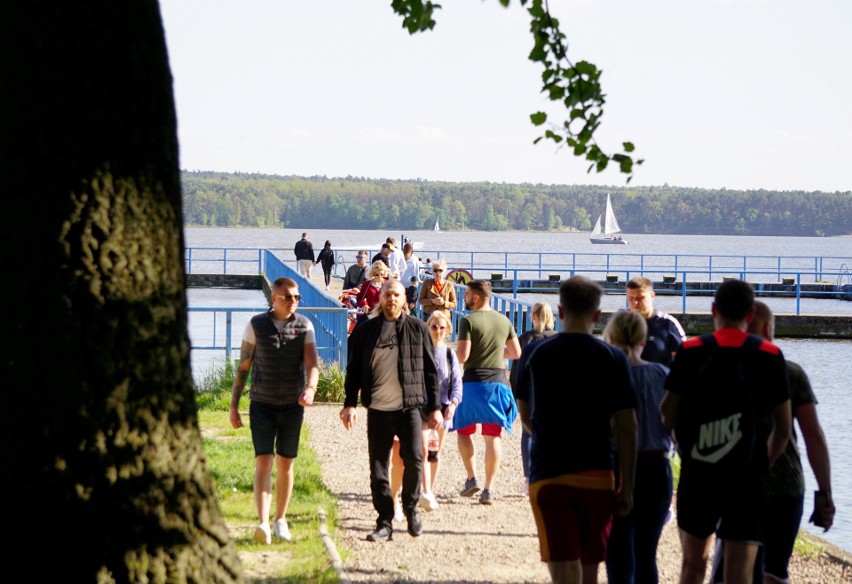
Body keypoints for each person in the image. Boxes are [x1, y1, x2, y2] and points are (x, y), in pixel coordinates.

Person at [660, 279, 792, 584]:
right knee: (739, 574)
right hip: (748, 480)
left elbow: (666, 413)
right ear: (750, 315)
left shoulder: (692, 350)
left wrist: (685, 449)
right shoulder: (770, 355)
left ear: (713, 310)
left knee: (692, 565)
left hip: (699, 475)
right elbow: (783, 429)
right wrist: (762, 465)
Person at [514, 276, 638, 584]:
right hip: (599, 473)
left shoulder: (535, 353)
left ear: (561, 310)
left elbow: (525, 413)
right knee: (589, 566)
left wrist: (543, 433)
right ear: (597, 316)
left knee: (562, 561)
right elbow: (628, 428)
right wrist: (628, 487)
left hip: (550, 472)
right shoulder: (614, 358)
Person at [711, 300, 834, 584]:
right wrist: (825, 493)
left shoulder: (722, 370)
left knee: (730, 566)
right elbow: (814, 436)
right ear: (768, 328)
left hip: (735, 483)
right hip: (786, 487)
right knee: (775, 571)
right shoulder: (791, 373)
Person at [340, 280, 443, 542]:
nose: (391, 299)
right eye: (387, 294)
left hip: (409, 407)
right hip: (377, 409)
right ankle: (384, 519)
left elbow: (431, 372)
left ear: (404, 300)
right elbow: (353, 370)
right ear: (381, 298)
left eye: (396, 295)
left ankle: (410, 509)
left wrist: (435, 408)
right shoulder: (366, 331)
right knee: (378, 468)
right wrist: (349, 403)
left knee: (416, 460)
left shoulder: (418, 329)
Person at [229, 277, 320, 544]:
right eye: (288, 297)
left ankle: (280, 519)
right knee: (263, 462)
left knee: (285, 463)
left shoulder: (304, 326)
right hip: (262, 404)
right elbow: (243, 367)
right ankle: (262, 523)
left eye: (297, 297)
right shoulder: (256, 325)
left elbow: (312, 364)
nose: (293, 302)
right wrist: (234, 407)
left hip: (292, 405)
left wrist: (311, 389)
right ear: (274, 298)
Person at [603, 310, 672, 584]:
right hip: (656, 468)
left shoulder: (605, 377)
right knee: (646, 554)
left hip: (615, 467)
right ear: (643, 340)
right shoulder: (663, 375)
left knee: (617, 553)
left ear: (609, 338)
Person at [452, 279, 522, 505]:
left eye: (467, 294)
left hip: (472, 383)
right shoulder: (504, 320)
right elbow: (516, 352)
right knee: (493, 437)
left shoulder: (468, 321)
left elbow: (463, 357)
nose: (464, 297)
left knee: (464, 431)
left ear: (476, 297)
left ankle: (472, 478)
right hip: (498, 384)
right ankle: (489, 489)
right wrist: (495, 352)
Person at [419, 311, 464, 511]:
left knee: (434, 452)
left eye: (441, 327)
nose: (437, 331)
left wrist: (453, 404)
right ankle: (425, 490)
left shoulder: (449, 354)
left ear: (447, 330)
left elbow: (456, 383)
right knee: (422, 449)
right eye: (434, 327)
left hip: (444, 407)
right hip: (422, 406)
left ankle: (429, 490)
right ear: (427, 328)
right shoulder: (419, 350)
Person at [510, 302, 557, 492]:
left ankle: (530, 478)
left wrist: (514, 394)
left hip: (529, 393)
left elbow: (517, 370)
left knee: (528, 435)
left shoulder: (526, 338)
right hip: (553, 394)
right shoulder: (558, 339)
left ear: (534, 316)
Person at [626, 276, 687, 367]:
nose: (635, 303)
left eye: (640, 298)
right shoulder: (620, 323)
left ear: (652, 296)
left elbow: (685, 361)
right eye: (631, 298)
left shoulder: (668, 324)